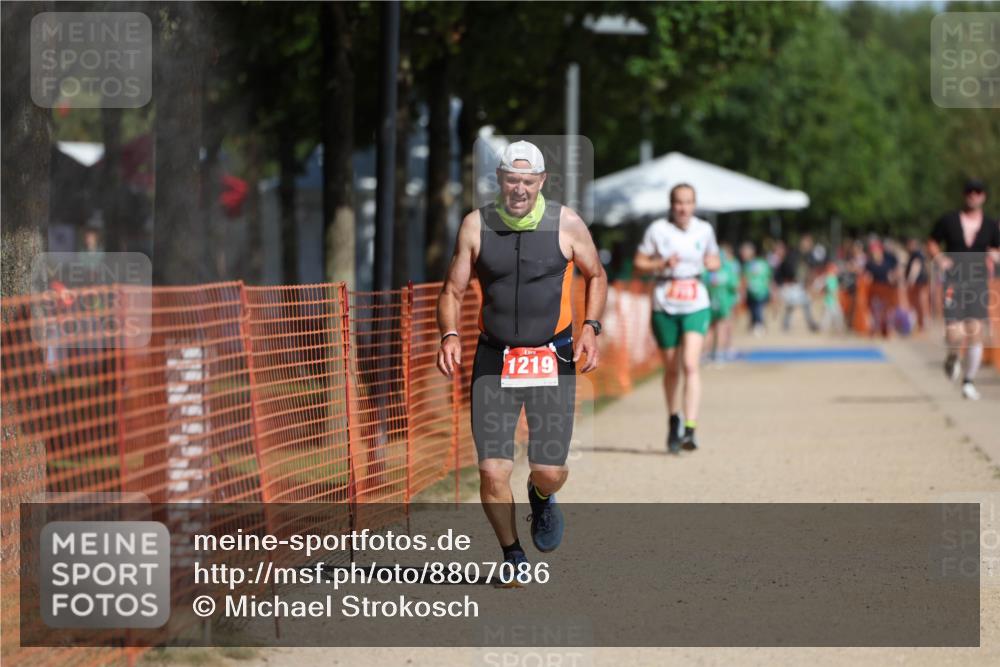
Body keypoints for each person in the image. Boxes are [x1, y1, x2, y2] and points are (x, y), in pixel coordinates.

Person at [436, 140, 607, 581]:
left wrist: (591, 327)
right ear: (498, 179)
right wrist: (449, 335)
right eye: (512, 179)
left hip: (551, 358)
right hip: (494, 359)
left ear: (542, 182)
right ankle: (512, 555)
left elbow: (597, 275)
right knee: (492, 472)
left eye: (528, 181)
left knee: (550, 471)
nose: (519, 189)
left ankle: (541, 495)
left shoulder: (566, 224)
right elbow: (452, 291)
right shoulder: (476, 226)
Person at [633, 183, 720, 454]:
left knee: (690, 364)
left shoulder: (704, 229)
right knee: (671, 368)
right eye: (679, 202)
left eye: (688, 202)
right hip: (665, 301)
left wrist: (712, 264)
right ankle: (674, 420)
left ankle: (690, 429)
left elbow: (714, 258)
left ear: (695, 205)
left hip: (695, 301)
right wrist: (660, 264)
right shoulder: (658, 230)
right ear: (671, 205)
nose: (683, 208)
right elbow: (639, 263)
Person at [928, 179, 1000, 400]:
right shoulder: (949, 220)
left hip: (978, 282)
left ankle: (968, 381)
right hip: (954, 283)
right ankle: (952, 356)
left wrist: (994, 257)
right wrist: (940, 260)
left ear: (983, 196)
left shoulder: (990, 225)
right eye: (970, 191)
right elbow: (932, 242)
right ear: (964, 194)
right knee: (954, 333)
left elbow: (996, 248)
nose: (973, 195)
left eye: (978, 192)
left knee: (976, 332)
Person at [775, 234, 821, 333]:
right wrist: (784, 282)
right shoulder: (793, 254)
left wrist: (809, 284)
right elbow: (785, 269)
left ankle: (809, 324)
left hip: (802, 284)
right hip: (791, 283)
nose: (808, 244)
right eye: (806, 242)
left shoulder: (810, 256)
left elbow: (811, 271)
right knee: (792, 305)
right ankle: (786, 325)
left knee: (805, 304)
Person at [704, 242, 740, 362]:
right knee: (722, 328)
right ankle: (719, 353)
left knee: (709, 329)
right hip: (724, 304)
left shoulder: (706, 272)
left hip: (709, 304)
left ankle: (706, 353)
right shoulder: (727, 270)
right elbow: (735, 286)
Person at [864, 237, 900, 338]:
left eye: (876, 251)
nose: (875, 254)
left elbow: (894, 274)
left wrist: (893, 277)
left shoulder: (887, 263)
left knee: (888, 312)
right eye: (873, 252)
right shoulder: (870, 264)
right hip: (875, 289)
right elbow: (867, 276)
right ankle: (876, 330)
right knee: (876, 311)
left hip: (886, 289)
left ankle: (888, 330)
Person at [739, 241, 771, 336]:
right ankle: (756, 325)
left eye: (745, 251)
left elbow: (767, 278)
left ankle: (759, 326)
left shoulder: (757, 264)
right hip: (753, 293)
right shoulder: (750, 264)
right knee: (754, 310)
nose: (743, 253)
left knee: (757, 310)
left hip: (759, 292)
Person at [905, 237, 931, 332]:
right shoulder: (918, 254)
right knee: (919, 302)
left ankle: (923, 323)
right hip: (920, 281)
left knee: (920, 302)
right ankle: (920, 323)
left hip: (919, 282)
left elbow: (916, 266)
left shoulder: (916, 254)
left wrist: (911, 279)